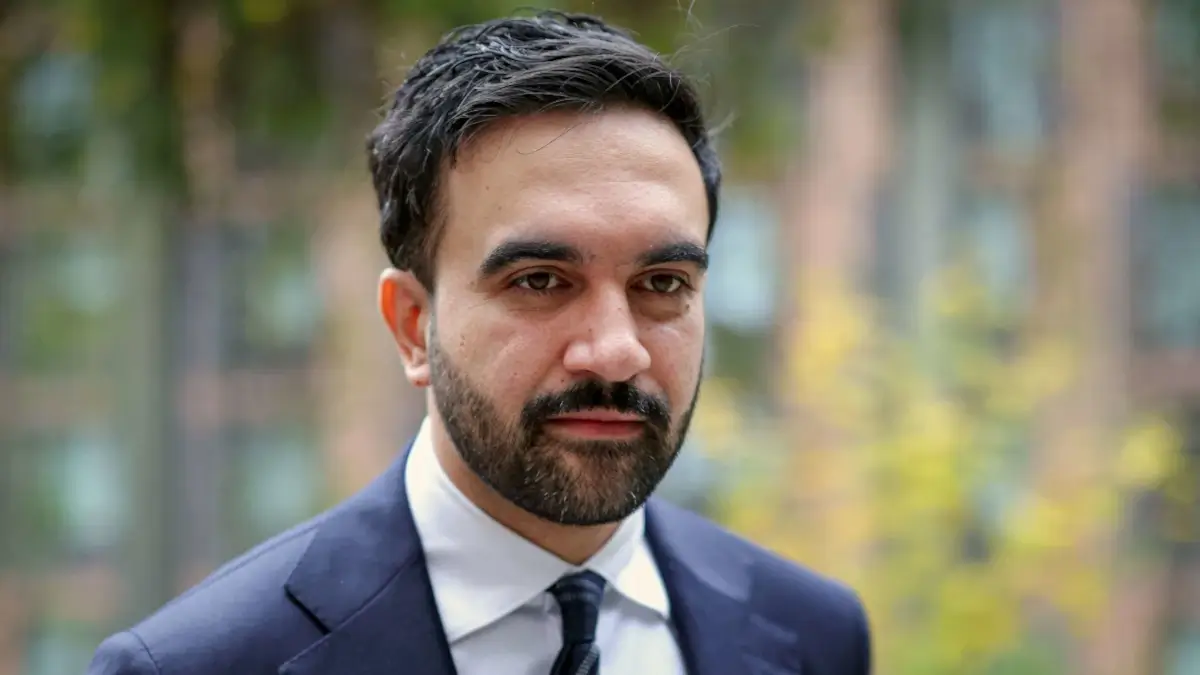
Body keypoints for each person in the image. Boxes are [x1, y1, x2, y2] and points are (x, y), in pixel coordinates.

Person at [87, 10, 870, 675]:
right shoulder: (200, 663)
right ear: (411, 326)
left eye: (661, 283)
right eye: (540, 280)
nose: (615, 351)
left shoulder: (813, 636)